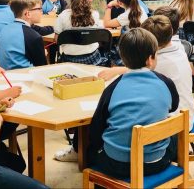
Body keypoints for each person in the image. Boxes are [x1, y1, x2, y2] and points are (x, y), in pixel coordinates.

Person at [55, 28, 179, 174]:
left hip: (116, 164)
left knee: (93, 145)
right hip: (156, 163)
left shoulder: (113, 88)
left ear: (123, 58)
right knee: (173, 133)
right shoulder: (166, 83)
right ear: (150, 59)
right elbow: (173, 106)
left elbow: (96, 128)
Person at [97, 15, 194, 130]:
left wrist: (117, 70)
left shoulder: (159, 63)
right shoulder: (179, 48)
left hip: (172, 126)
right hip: (183, 116)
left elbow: (141, 69)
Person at [54, 0, 106, 65]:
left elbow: (57, 40)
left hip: (69, 61)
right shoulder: (95, 14)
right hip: (93, 60)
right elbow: (99, 36)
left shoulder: (62, 16)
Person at [0, 0, 47, 70]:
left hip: (5, 76)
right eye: (39, 9)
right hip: (25, 78)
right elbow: (42, 67)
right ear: (28, 14)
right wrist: (43, 54)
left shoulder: (5, 29)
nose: (42, 12)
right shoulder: (33, 36)